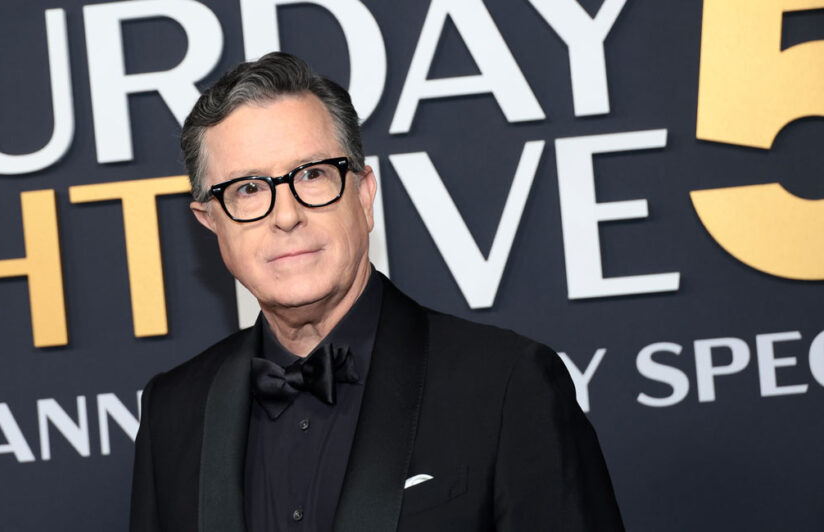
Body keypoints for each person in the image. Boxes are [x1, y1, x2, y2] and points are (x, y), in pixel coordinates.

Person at [129, 52, 625, 532]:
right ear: (210, 222)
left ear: (364, 196)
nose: (286, 215)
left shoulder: (507, 384)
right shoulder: (173, 412)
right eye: (249, 189)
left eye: (312, 175)